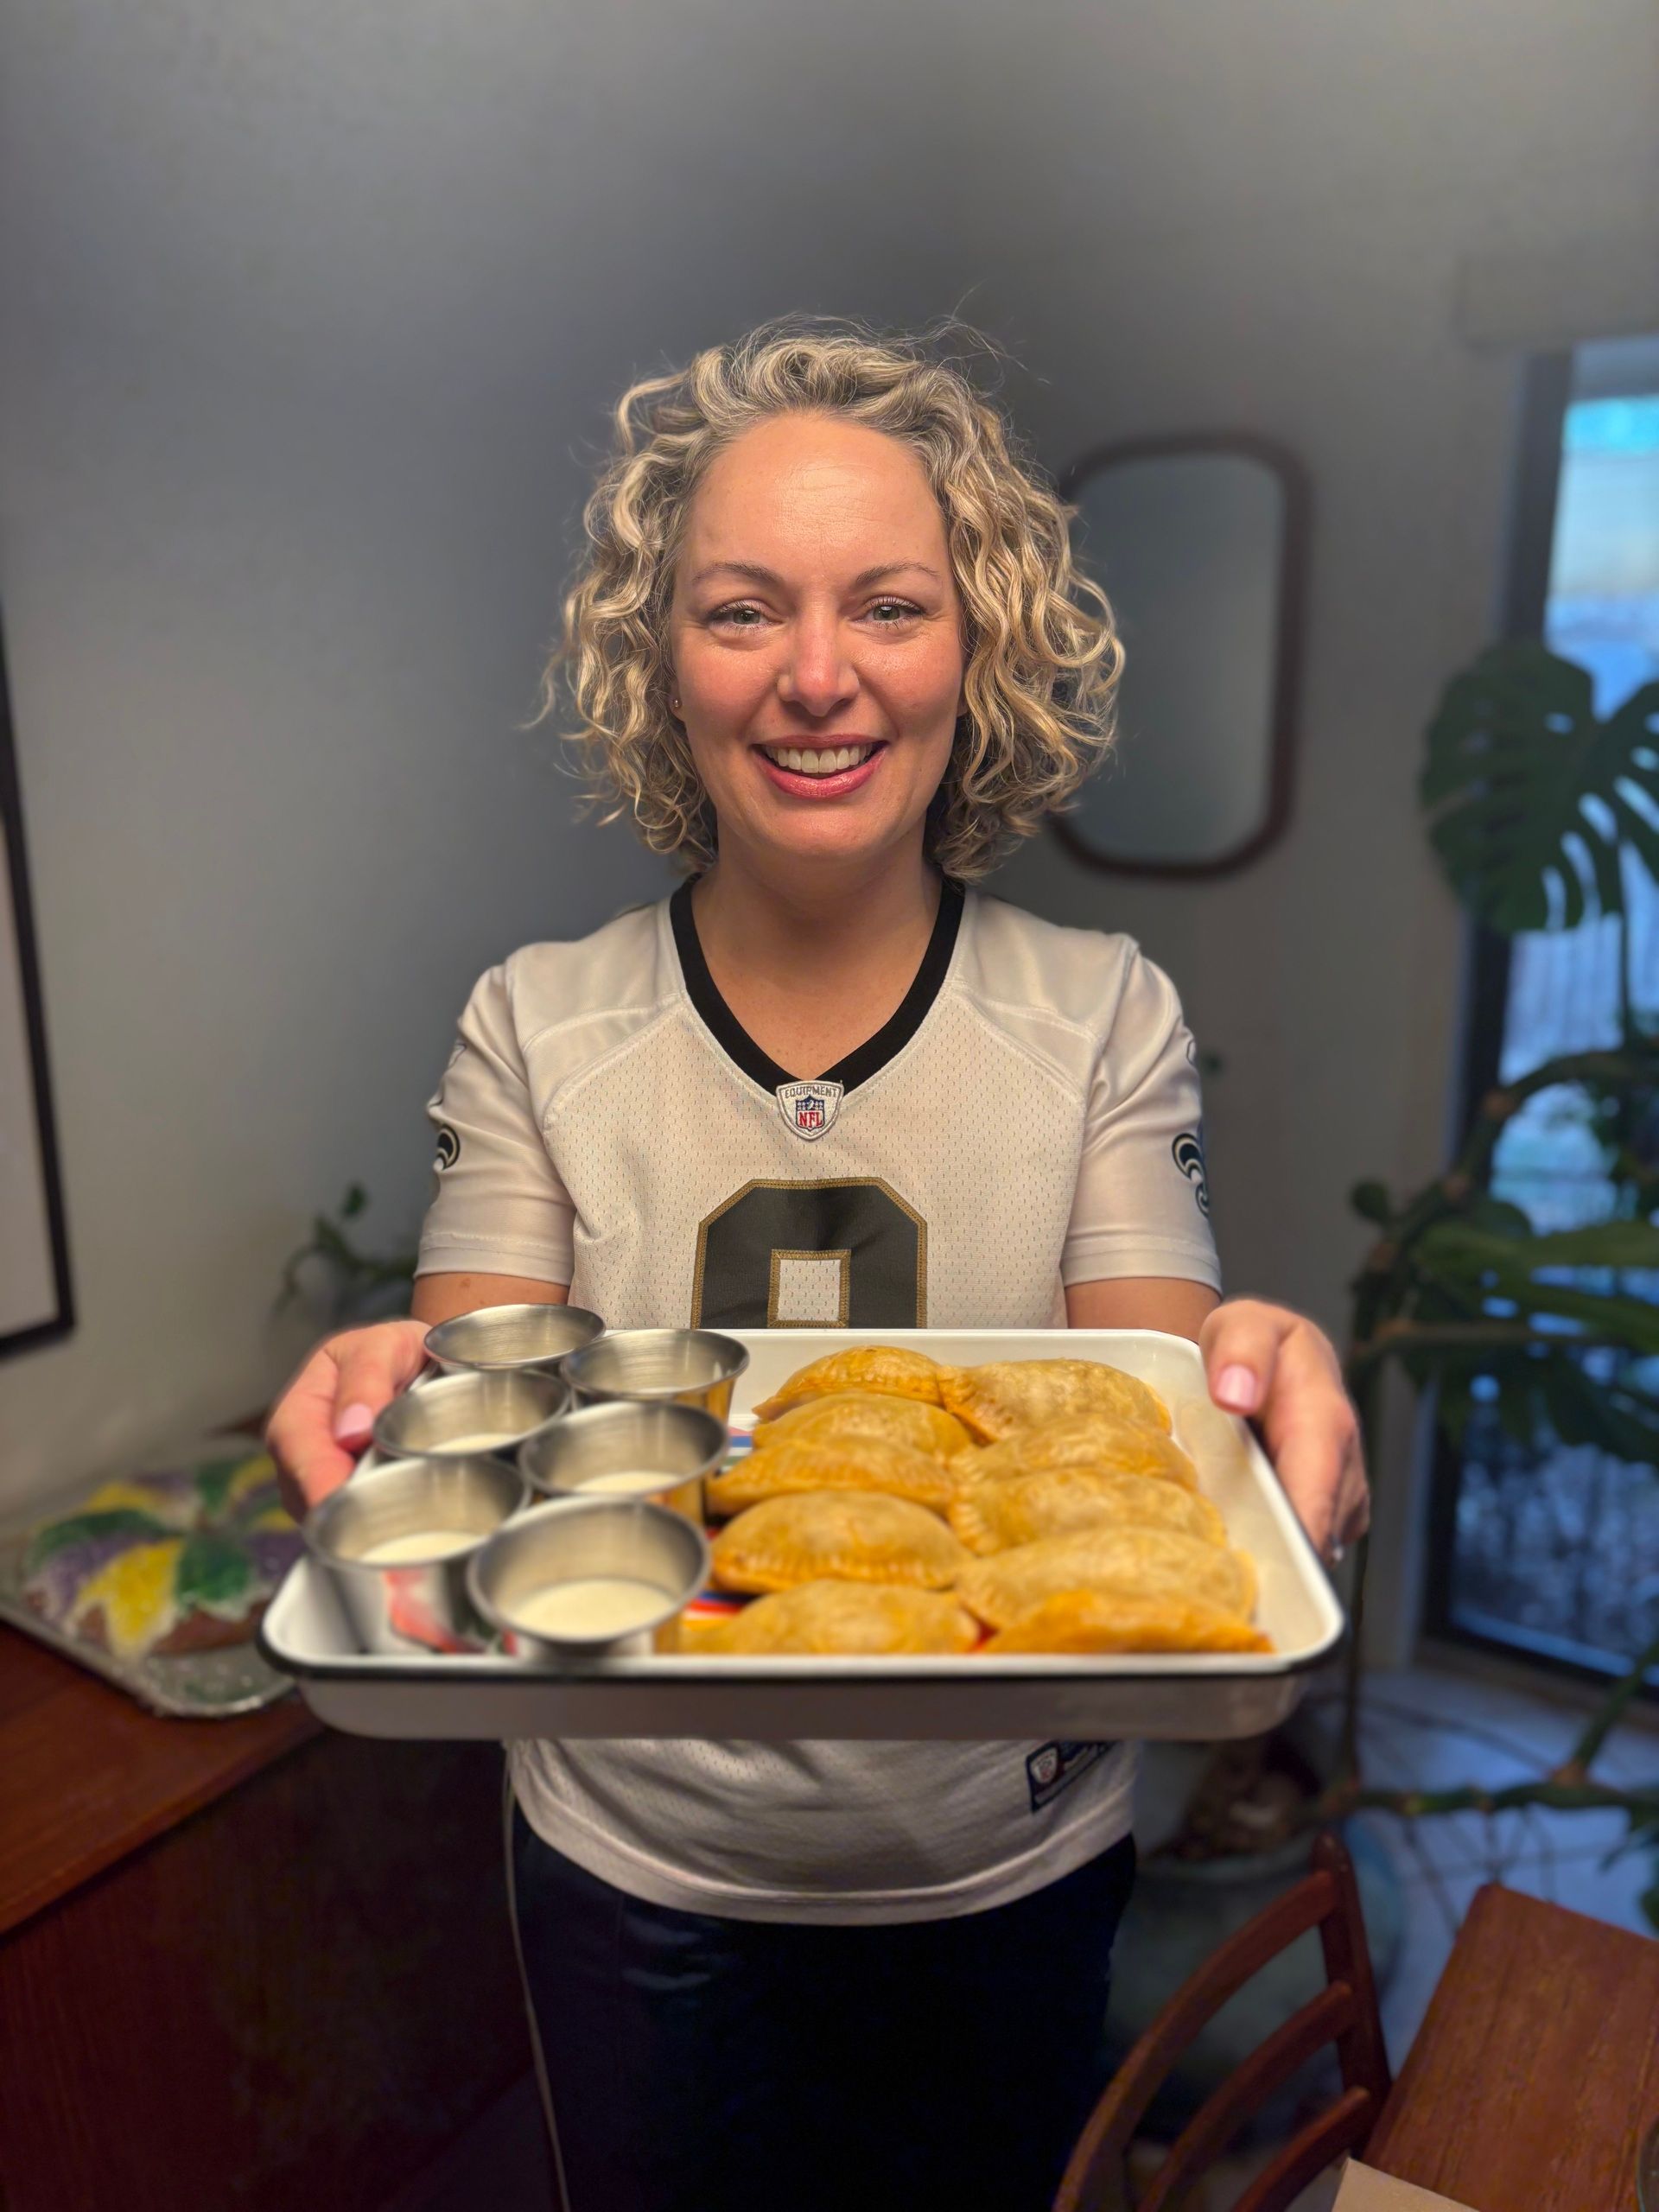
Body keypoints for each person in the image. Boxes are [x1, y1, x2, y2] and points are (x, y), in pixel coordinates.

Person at [267, 315, 1370, 2212]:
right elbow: (487, 1414)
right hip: (639, 1864)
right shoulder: (536, 1021)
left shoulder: (1104, 1012)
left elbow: (1146, 1427)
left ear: (979, 646)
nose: (817, 674)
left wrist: (1259, 1386)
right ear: (659, 661)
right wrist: (392, 1401)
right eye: (741, 610)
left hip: (1011, 1858)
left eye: (889, 605)